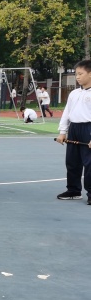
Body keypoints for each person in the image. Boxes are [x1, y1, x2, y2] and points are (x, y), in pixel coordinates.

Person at [55, 59, 91, 204]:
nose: (77, 77)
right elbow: (67, 113)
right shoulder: (74, 93)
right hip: (74, 128)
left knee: (89, 163)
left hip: (88, 129)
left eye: (80, 74)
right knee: (72, 162)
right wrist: (62, 131)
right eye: (76, 74)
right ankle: (74, 190)